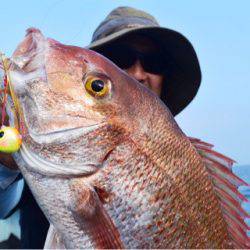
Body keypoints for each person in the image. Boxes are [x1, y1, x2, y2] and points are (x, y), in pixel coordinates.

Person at [0, 6, 201, 249]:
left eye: (154, 62)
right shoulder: (31, 160)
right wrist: (5, 166)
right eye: (120, 57)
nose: (138, 73)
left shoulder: (196, 177)